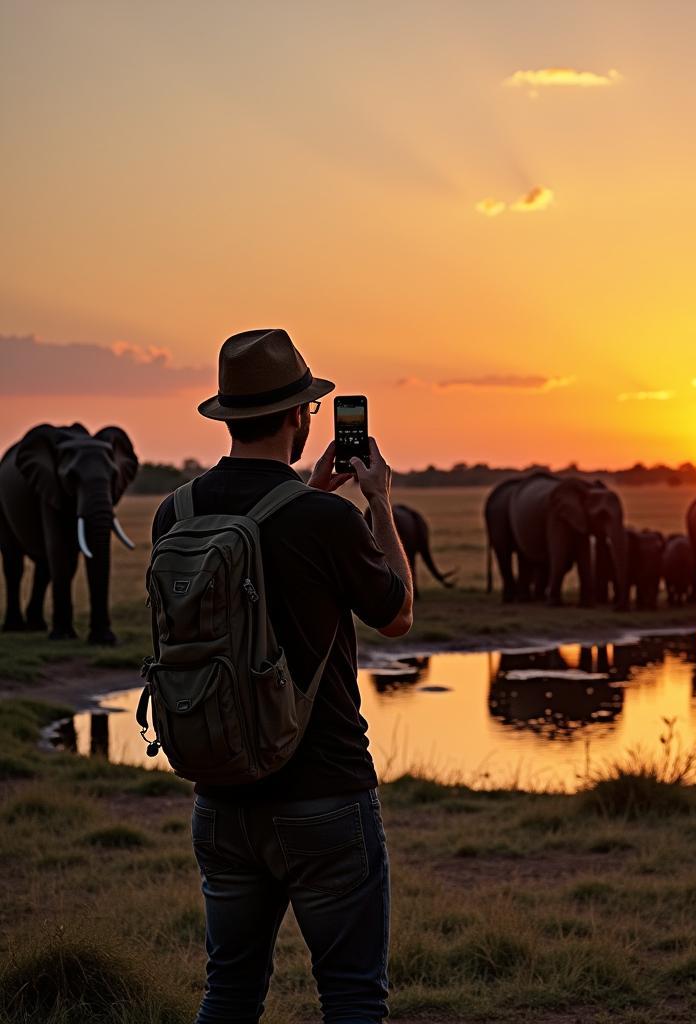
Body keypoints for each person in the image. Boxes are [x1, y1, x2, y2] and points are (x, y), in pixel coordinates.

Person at [151, 328, 413, 1024]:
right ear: (301, 416)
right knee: (353, 997)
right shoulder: (326, 518)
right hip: (325, 793)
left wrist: (311, 494)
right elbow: (398, 615)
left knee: (229, 995)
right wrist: (377, 503)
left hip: (219, 795)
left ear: (228, 417)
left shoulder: (173, 512)